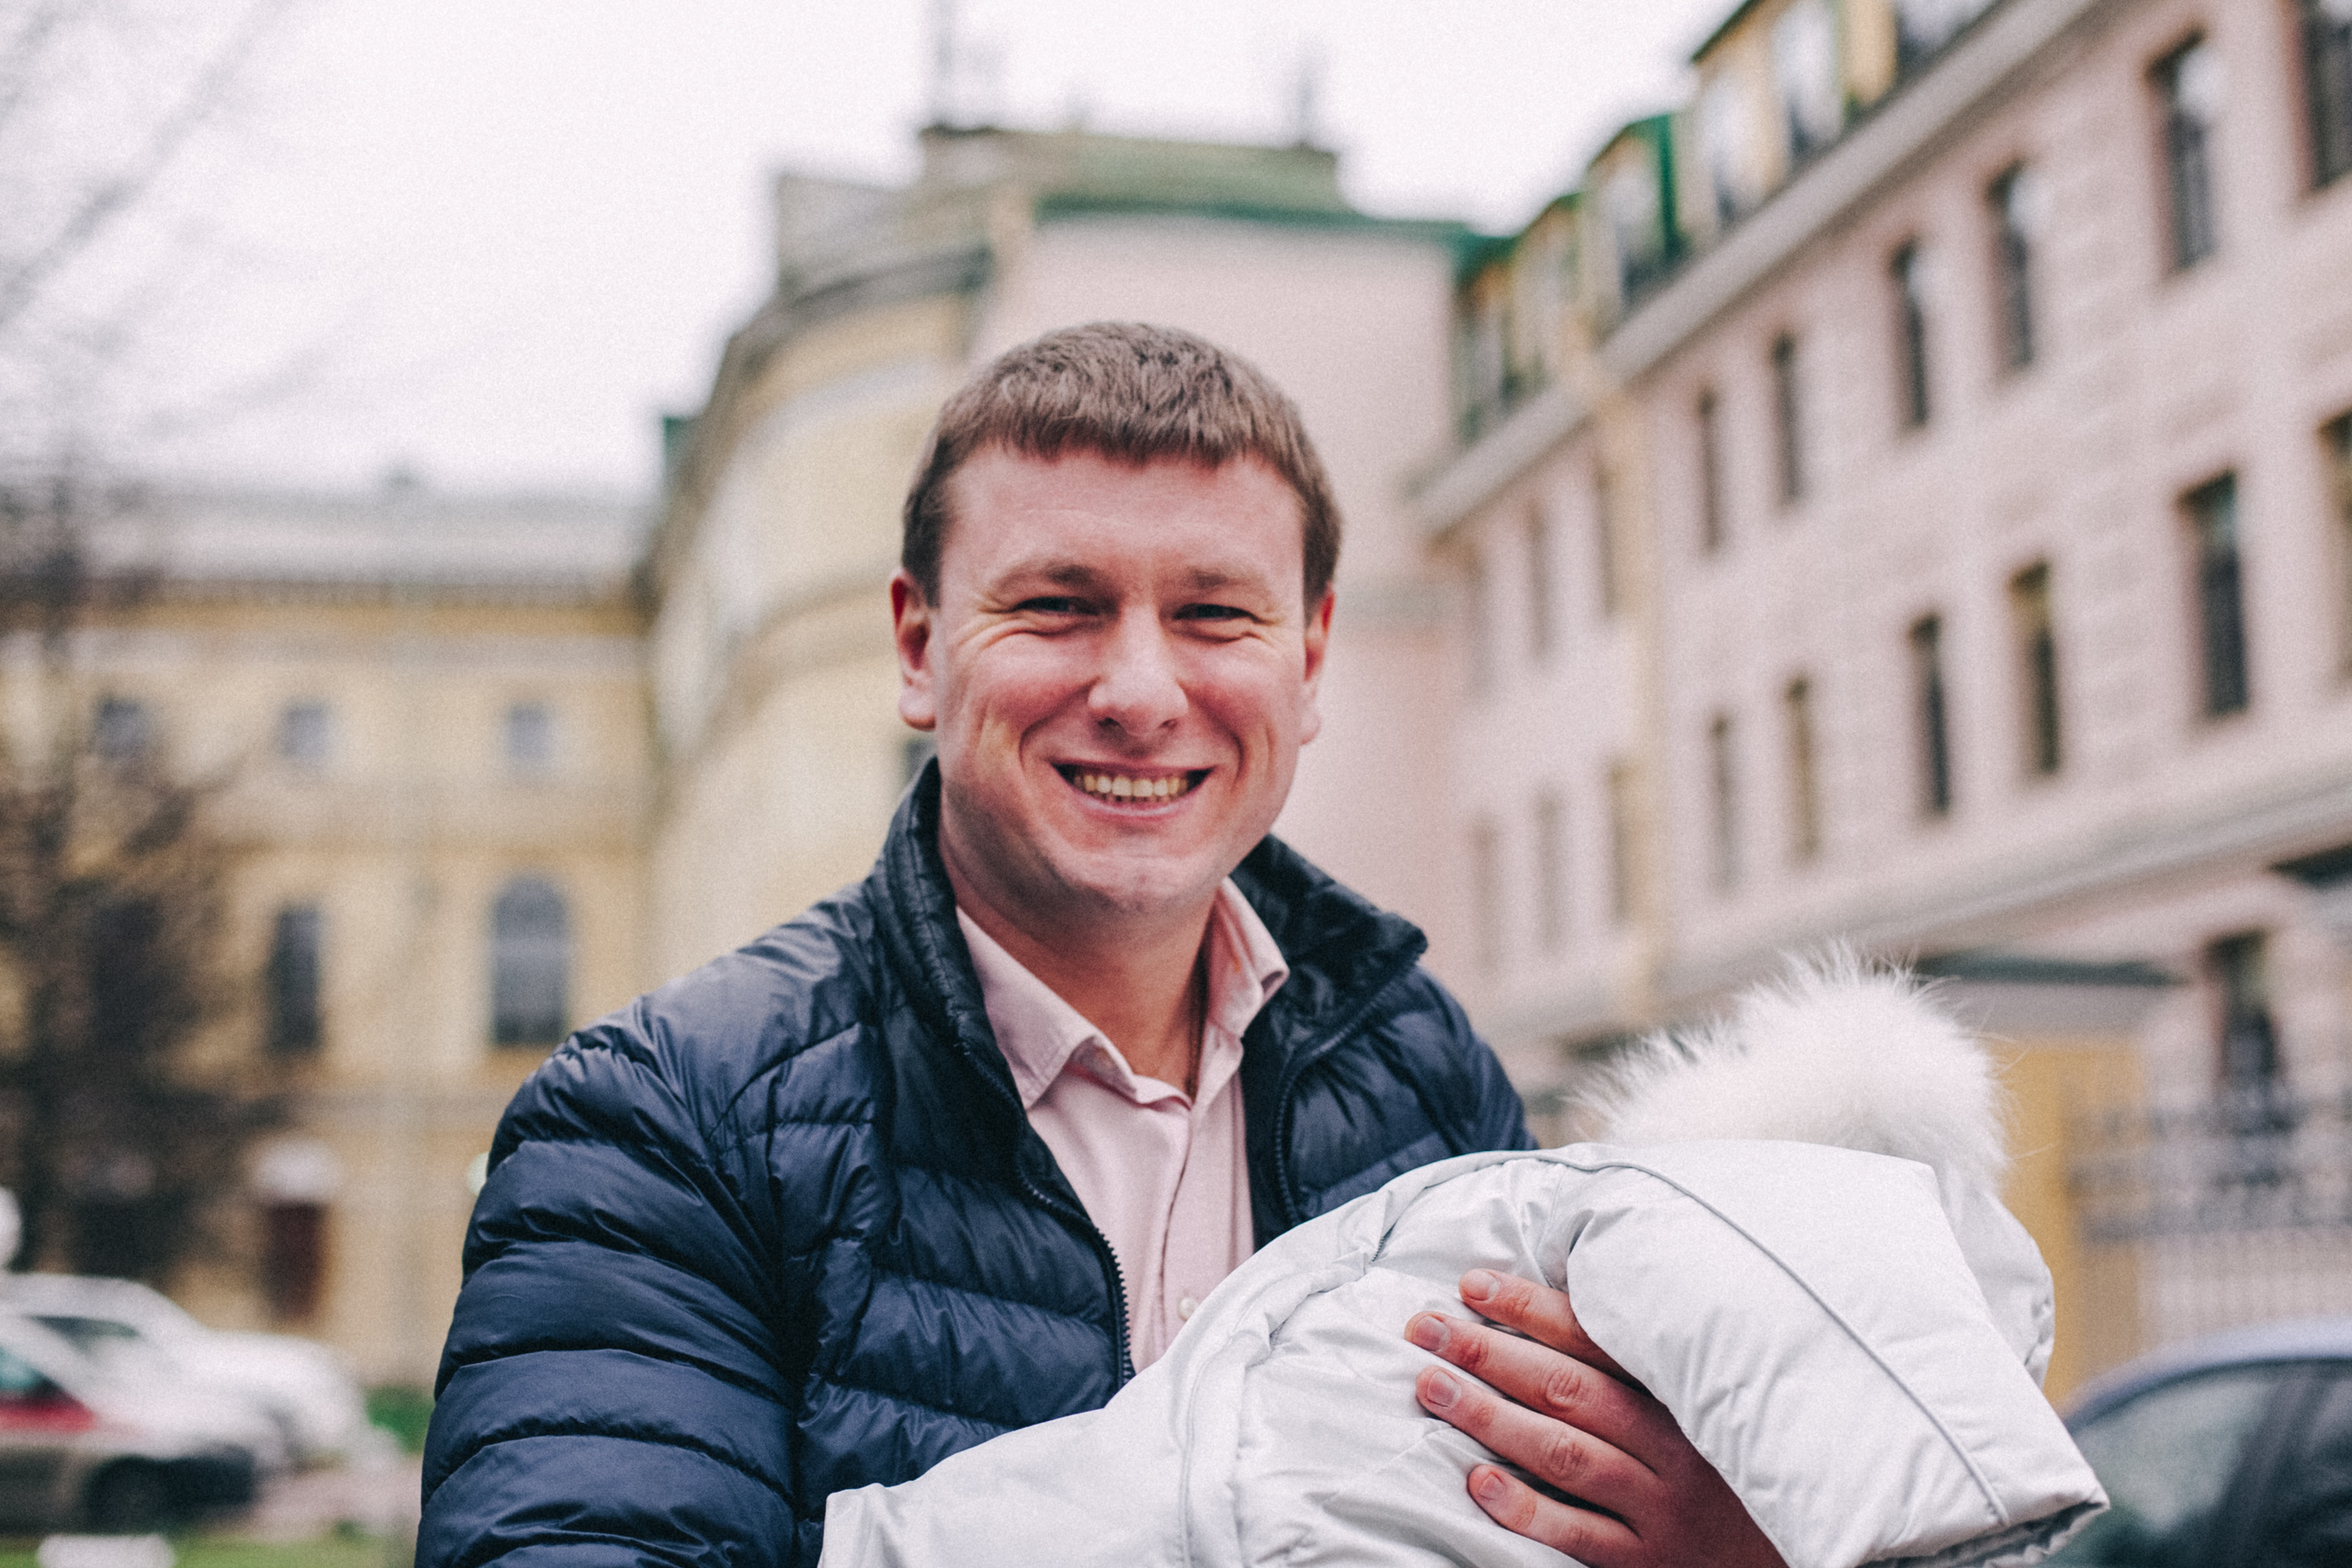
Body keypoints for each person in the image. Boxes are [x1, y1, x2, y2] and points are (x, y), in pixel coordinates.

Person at [418, 321, 1779, 1568]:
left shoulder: (1425, 1080)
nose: (1139, 691)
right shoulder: (662, 1128)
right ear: (917, 644)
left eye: (1213, 615)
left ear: (1308, 660)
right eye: (1059, 605)